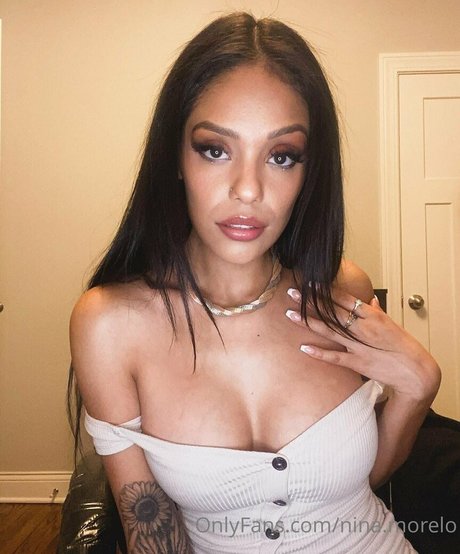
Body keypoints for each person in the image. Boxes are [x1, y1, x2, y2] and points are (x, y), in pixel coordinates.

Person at [68, 12, 441, 553]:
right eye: (215, 149)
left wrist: (418, 389)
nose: (248, 189)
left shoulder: (340, 292)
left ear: (308, 171)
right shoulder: (110, 325)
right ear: (175, 156)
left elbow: (364, 481)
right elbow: (149, 528)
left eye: (282, 156)